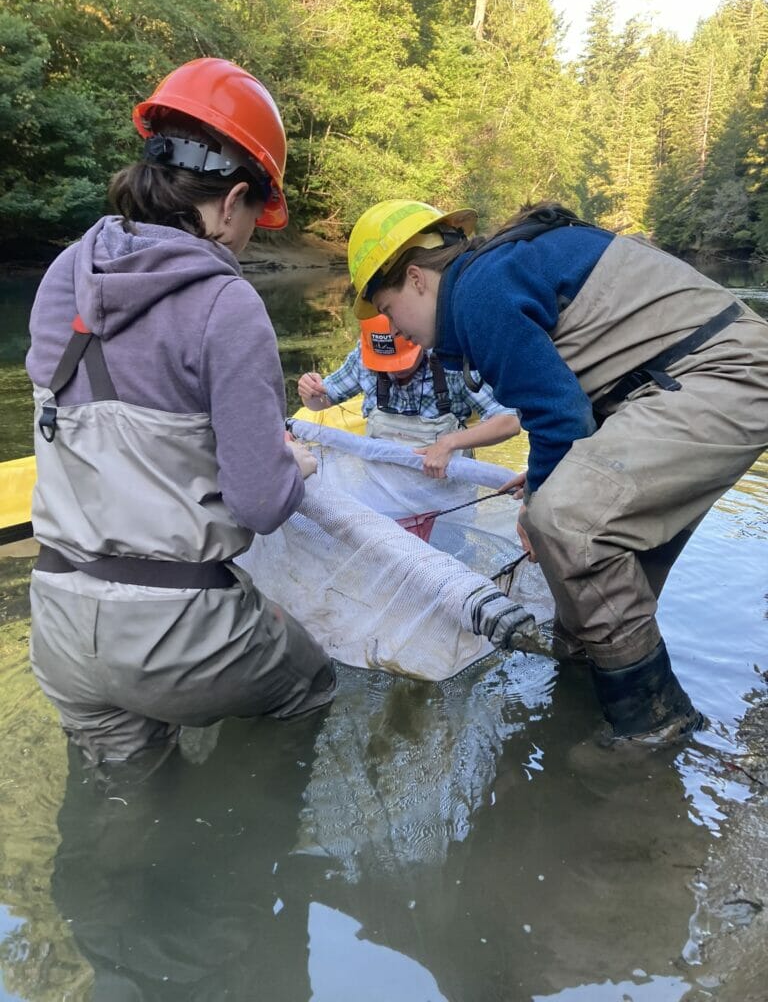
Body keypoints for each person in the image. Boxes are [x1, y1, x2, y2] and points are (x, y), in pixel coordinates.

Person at [345, 197, 768, 746]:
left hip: (721, 378)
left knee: (564, 522)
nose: (393, 329)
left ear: (418, 279)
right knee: (589, 579)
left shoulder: (477, 293)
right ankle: (584, 688)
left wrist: (542, 494)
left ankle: (655, 727)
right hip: (677, 389)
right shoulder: (491, 277)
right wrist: (555, 475)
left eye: (387, 308)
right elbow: (578, 393)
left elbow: (559, 415)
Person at [25, 58, 336, 767]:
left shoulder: (63, 275)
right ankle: (247, 854)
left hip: (61, 622)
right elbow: (258, 504)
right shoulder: (228, 306)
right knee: (311, 683)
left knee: (122, 807)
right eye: (258, 214)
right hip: (179, 634)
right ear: (232, 201)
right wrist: (293, 466)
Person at [297, 313, 520, 477]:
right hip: (382, 489)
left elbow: (508, 421)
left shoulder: (450, 361)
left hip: (445, 495)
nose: (394, 371)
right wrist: (310, 393)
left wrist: (449, 443)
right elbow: (319, 404)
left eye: (401, 364)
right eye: (385, 364)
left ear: (417, 340)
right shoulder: (362, 359)